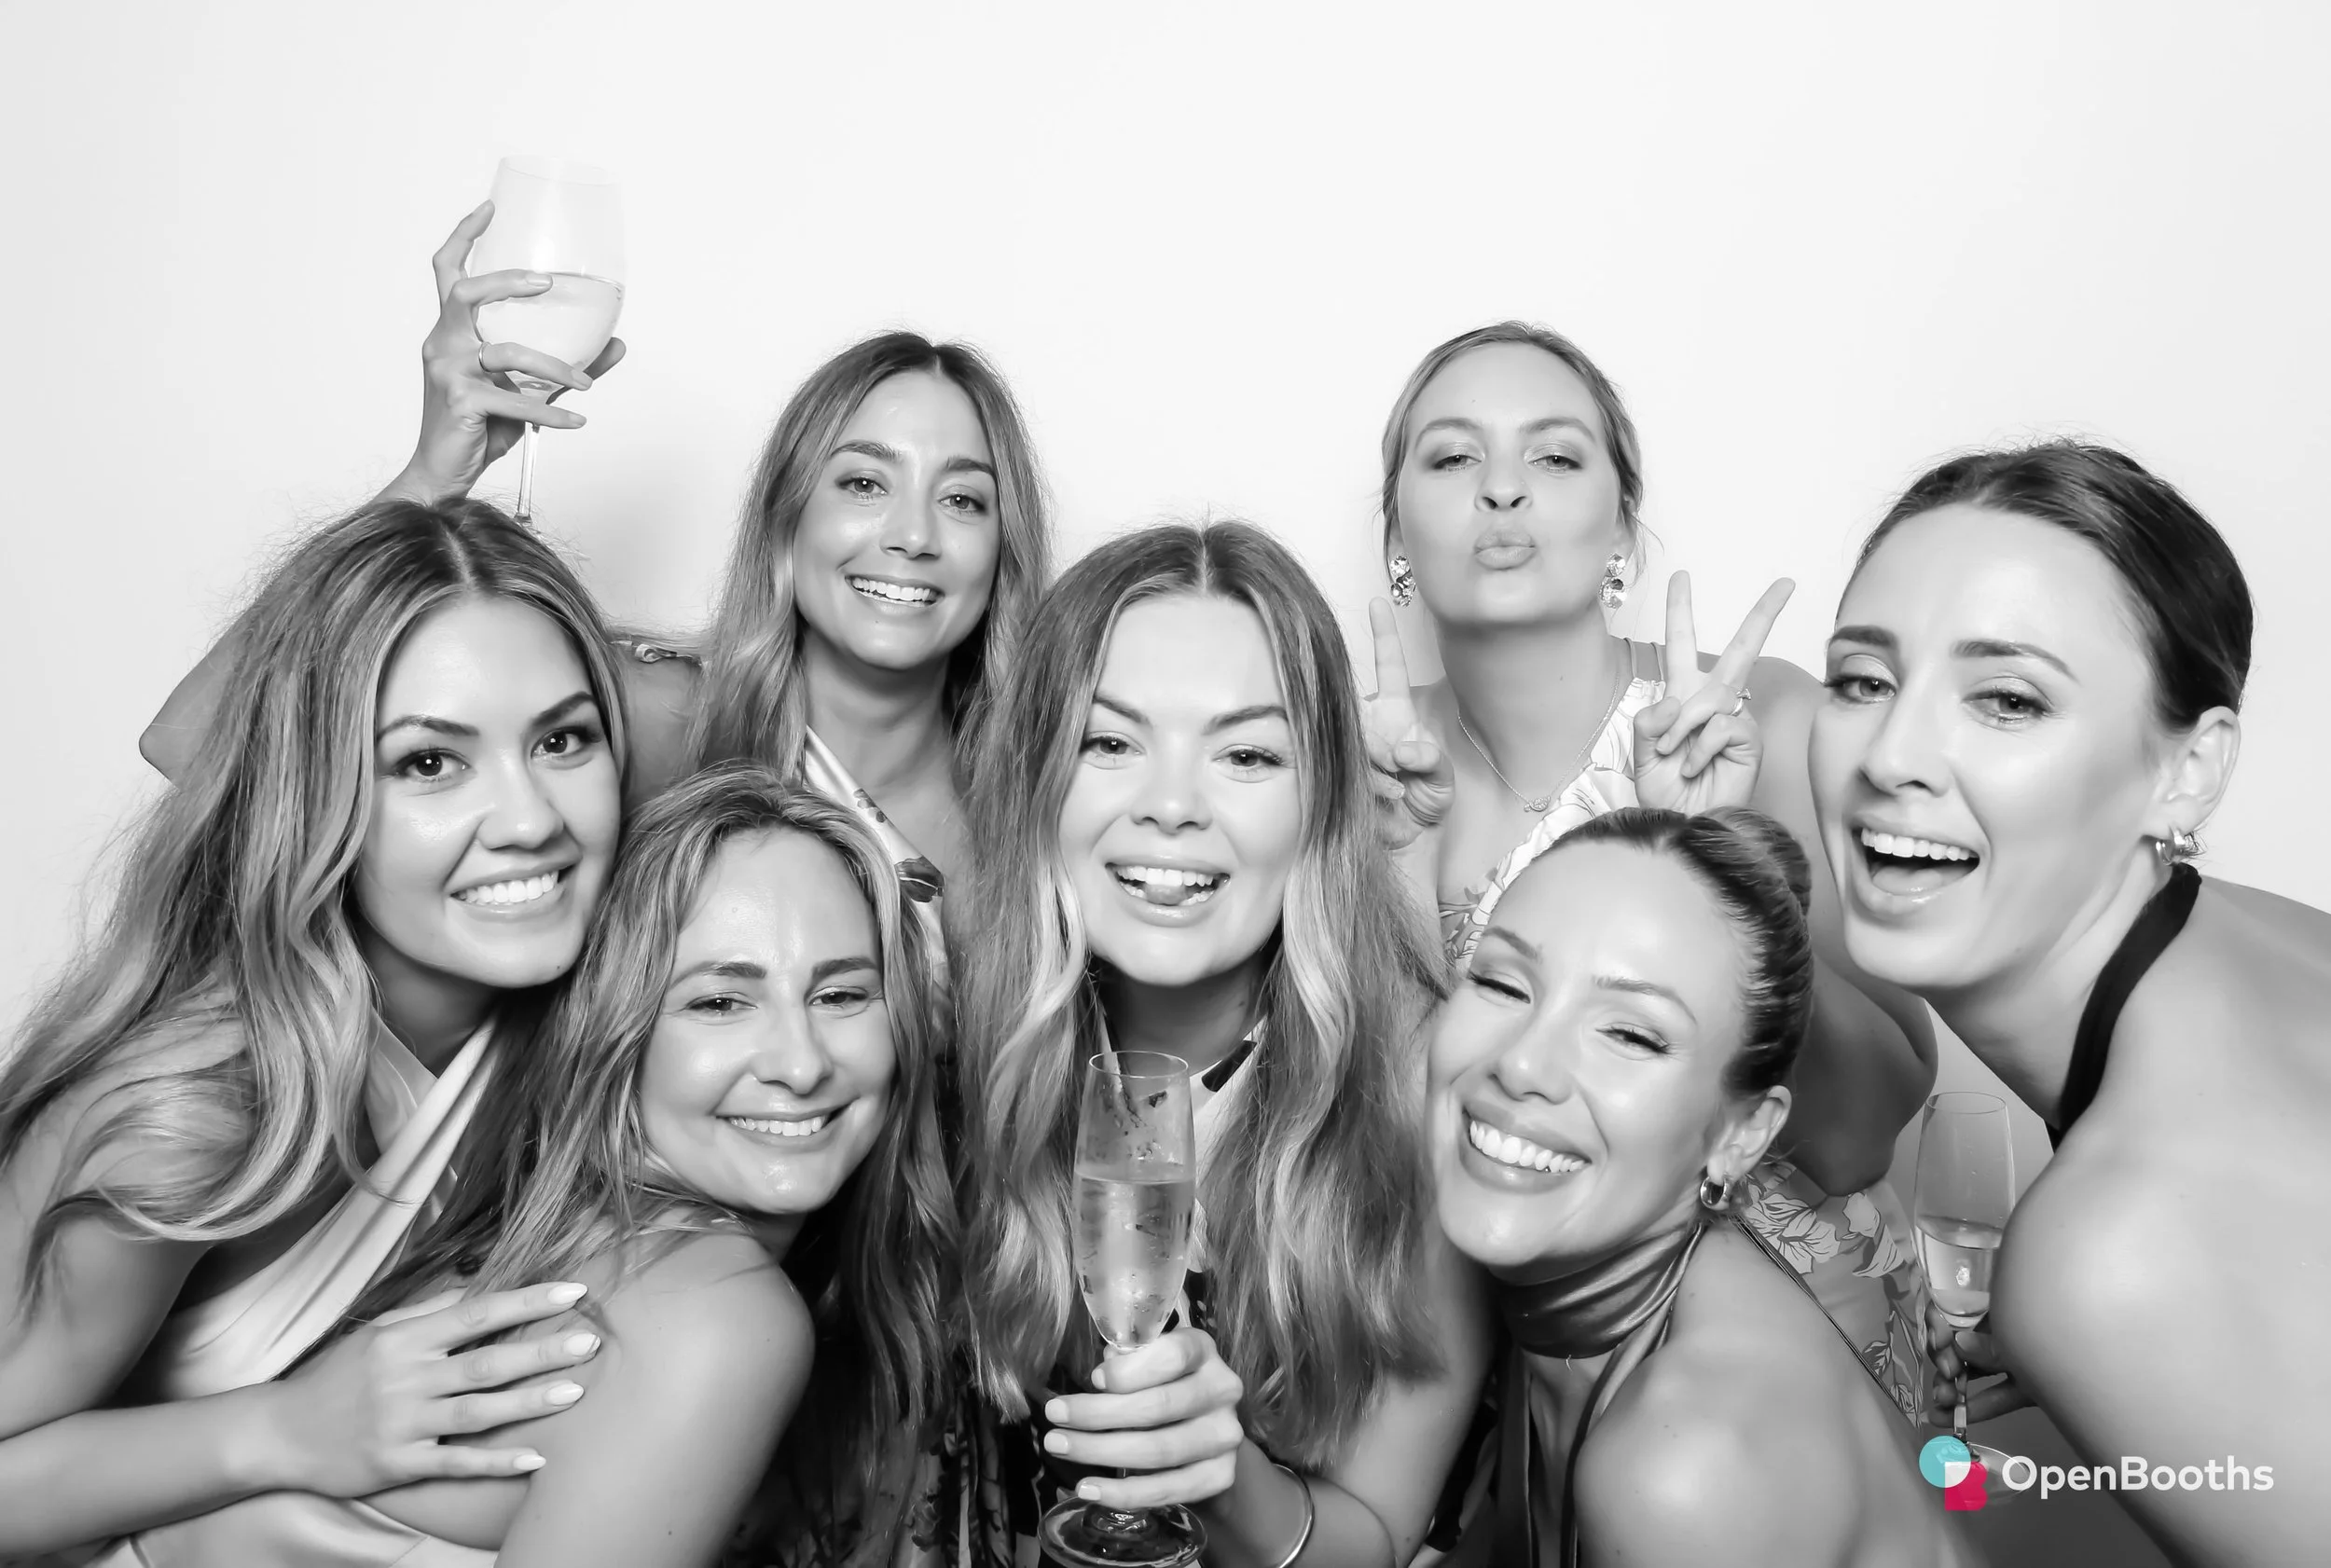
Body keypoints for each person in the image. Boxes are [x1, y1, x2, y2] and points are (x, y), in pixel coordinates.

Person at [90, 764, 955, 1567]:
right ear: (615, 1034)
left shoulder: (558, 1229)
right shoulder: (715, 1314)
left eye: (842, 994)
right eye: (719, 1002)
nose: (800, 1065)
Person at [0, 500, 627, 1557]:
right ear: (313, 790)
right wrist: (282, 1430)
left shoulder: (585, 1030)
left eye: (563, 739)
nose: (530, 819)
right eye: (430, 762)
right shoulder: (189, 1118)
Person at [143, 205, 1055, 900]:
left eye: (964, 498)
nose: (912, 533)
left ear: (1001, 550)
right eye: (862, 482)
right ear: (785, 519)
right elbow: (194, 745)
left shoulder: (1051, 785)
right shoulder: (656, 721)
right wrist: (431, 473)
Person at [1367, 322, 1937, 1414]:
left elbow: (1862, 1127)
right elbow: (1381, 1145)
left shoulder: (1753, 716)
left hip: (1806, 1334)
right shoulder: (1357, 768)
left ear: (1623, 526)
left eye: (1553, 455)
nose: (1500, 490)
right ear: (1396, 532)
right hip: (1519, 1370)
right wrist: (1395, 863)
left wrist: (1715, 860)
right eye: (1450, 456)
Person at [1809, 440, 2327, 1565]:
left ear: (2185, 770)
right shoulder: (2269, 934)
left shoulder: (2110, 1250)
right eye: (1861, 679)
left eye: (2004, 698)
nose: (1892, 753)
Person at [951, 522, 1488, 1567]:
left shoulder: (1431, 1089)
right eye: (1108, 741)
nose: (1170, 805)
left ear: (1323, 799)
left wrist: (1223, 1473)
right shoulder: (964, 1035)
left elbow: (1372, 1539)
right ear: (1037, 781)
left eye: (1245, 753)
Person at [1432, 806, 1971, 1568]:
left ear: (1741, 1135)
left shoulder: (1684, 1469)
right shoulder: (1576, 1272)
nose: (1521, 1064)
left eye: (1630, 1033)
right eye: (1501, 983)